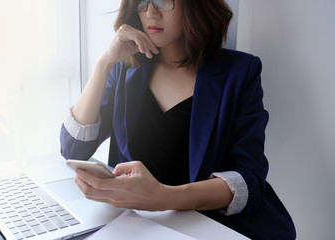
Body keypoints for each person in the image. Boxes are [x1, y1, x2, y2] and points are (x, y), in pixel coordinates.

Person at [60, 0, 296, 239]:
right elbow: (73, 149)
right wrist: (104, 63)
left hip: (208, 225)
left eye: (164, 2)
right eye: (142, 2)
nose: (151, 12)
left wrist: (163, 197)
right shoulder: (126, 68)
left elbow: (248, 179)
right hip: (135, 225)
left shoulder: (240, 72)